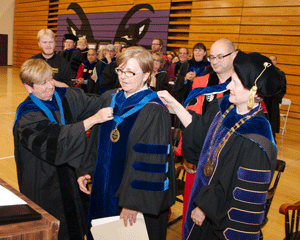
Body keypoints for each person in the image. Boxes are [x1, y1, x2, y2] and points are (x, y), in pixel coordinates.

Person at [159, 50, 283, 239]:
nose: (228, 86)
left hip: (222, 223)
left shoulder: (258, 140)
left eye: (235, 82)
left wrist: (205, 207)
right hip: (205, 207)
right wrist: (175, 105)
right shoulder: (224, 111)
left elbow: (241, 202)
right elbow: (200, 133)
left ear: (253, 92)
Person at [77, 46, 176, 240]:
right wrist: (87, 169)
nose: (123, 77)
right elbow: (97, 139)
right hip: (102, 188)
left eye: (131, 72)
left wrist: (133, 203)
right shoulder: (111, 98)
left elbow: (149, 161)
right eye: (120, 70)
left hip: (130, 200)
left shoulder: (153, 110)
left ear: (147, 74)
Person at [13, 58, 113, 240]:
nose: (50, 86)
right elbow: (55, 142)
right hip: (44, 181)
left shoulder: (65, 96)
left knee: (75, 223)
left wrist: (123, 93)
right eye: (42, 83)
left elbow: (96, 101)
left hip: (70, 175)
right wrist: (92, 120)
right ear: (29, 87)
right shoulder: (27, 117)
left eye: (50, 79)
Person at [175, 38, 237, 232]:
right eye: (212, 57)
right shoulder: (201, 82)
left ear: (234, 55)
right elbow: (189, 119)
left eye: (221, 56)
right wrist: (187, 153)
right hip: (199, 156)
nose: (215, 61)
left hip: (226, 162)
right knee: (191, 208)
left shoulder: (243, 87)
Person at [264, 55, 287, 140]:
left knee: (273, 119)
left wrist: (276, 97)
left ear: (276, 62)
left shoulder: (280, 74)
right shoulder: (264, 73)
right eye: (270, 60)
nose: (272, 62)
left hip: (273, 100)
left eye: (274, 60)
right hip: (264, 99)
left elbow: (283, 88)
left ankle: (272, 137)